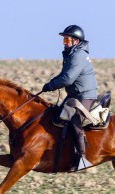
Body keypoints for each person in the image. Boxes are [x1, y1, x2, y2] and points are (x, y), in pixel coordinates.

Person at [42, 24, 98, 171]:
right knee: (58, 117)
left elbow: (67, 79)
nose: (65, 43)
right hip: (75, 95)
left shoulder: (78, 55)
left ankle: (82, 157)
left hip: (85, 95)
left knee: (75, 120)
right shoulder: (72, 54)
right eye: (64, 41)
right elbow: (64, 76)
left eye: (67, 40)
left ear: (76, 41)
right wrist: (52, 82)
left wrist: (51, 85)